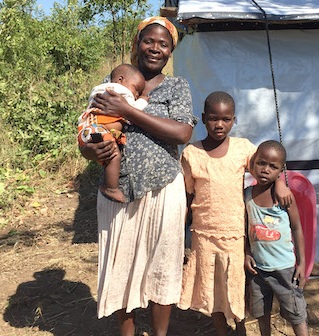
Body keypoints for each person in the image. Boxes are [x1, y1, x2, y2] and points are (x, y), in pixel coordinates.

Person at [78, 16, 196, 336]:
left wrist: (129, 111)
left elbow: (182, 132)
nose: (155, 48)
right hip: (117, 190)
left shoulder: (176, 86)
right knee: (120, 266)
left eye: (163, 44)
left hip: (163, 187)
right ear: (137, 44)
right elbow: (89, 126)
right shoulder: (112, 82)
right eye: (149, 41)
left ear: (171, 51)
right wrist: (91, 151)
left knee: (163, 264)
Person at [177, 92, 292, 336]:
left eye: (226, 119)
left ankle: (240, 329)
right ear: (204, 118)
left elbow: (266, 168)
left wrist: (280, 182)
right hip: (203, 233)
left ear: (234, 120)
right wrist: (179, 228)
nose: (220, 125)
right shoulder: (191, 154)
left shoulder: (243, 148)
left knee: (235, 286)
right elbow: (187, 195)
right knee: (211, 286)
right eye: (214, 119)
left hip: (235, 233)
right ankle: (221, 329)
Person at [244, 141, 310, 336]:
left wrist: (302, 263)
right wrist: (247, 253)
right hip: (258, 269)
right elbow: (245, 229)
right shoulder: (247, 195)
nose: (265, 170)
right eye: (261, 163)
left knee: (296, 313)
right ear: (253, 163)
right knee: (260, 312)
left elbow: (297, 228)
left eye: (273, 167)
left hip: (285, 269)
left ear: (281, 170)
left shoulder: (283, 197)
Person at [77, 64, 148, 202]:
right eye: (136, 89)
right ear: (120, 80)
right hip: (99, 129)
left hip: (89, 129)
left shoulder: (100, 91)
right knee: (114, 154)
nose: (136, 94)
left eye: (139, 93)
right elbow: (132, 109)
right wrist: (142, 101)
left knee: (107, 153)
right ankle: (110, 188)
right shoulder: (118, 91)